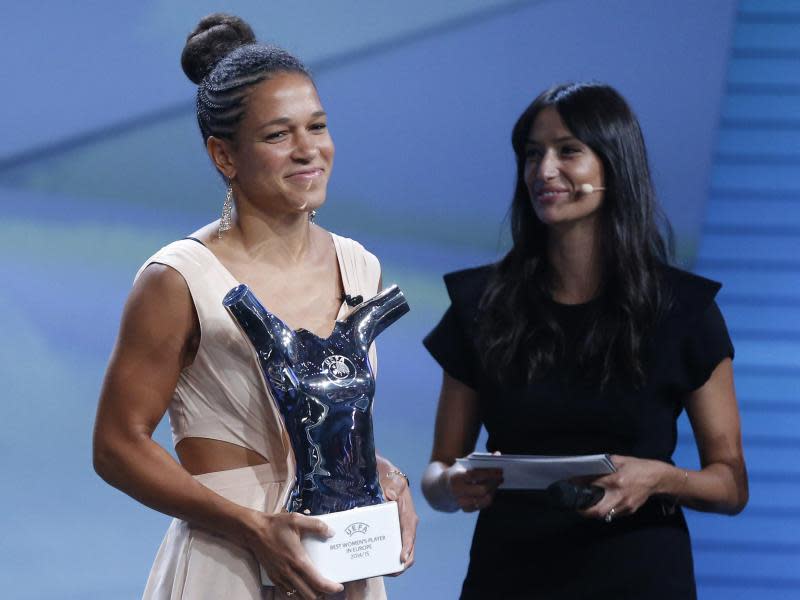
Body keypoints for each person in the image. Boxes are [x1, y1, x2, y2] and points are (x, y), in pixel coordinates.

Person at [93, 14, 417, 600]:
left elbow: (316, 427)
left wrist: (385, 478)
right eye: (277, 135)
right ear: (225, 155)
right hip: (228, 563)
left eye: (317, 127)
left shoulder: (359, 266)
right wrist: (252, 526)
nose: (307, 150)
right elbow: (116, 447)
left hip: (337, 562)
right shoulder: (179, 278)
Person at [421, 82, 748, 599]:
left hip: (640, 575)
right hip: (510, 574)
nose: (544, 171)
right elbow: (439, 473)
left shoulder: (683, 309)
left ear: (614, 165)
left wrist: (660, 478)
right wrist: (452, 484)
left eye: (568, 151)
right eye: (533, 154)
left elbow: (730, 485)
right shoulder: (480, 304)